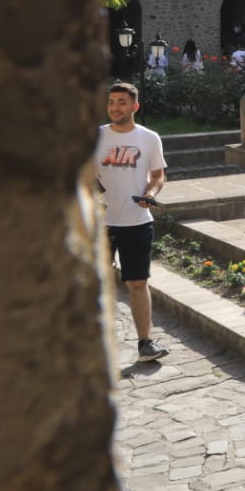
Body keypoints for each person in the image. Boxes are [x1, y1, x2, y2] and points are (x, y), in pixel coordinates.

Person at [94, 82, 170, 363]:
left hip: (137, 222)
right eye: (111, 101)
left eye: (122, 102)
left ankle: (145, 344)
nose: (115, 107)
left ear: (134, 106)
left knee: (137, 283)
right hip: (99, 223)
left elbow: (158, 175)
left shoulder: (149, 138)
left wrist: (150, 193)